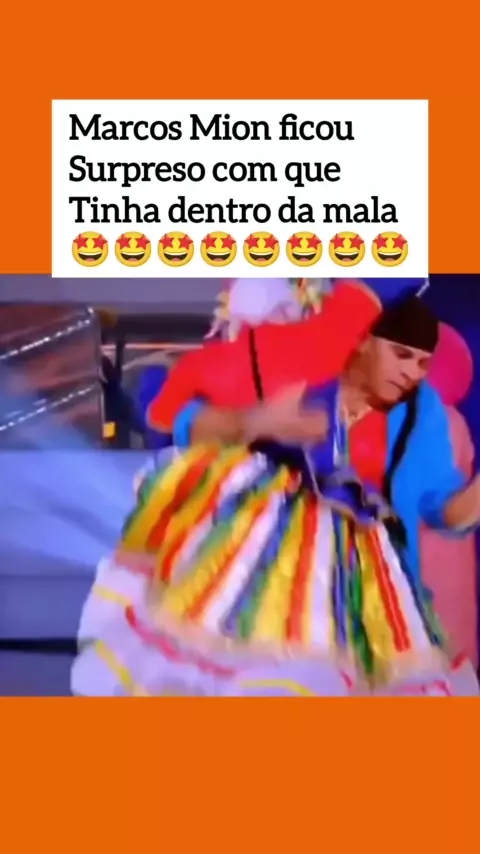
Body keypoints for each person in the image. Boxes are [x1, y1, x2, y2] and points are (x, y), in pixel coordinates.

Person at [72, 279, 480, 697]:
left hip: (369, 613)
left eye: (421, 363)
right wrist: (255, 423)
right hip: (246, 589)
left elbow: (448, 512)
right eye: (400, 355)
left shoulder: (419, 413)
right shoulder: (280, 371)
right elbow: (171, 417)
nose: (410, 373)